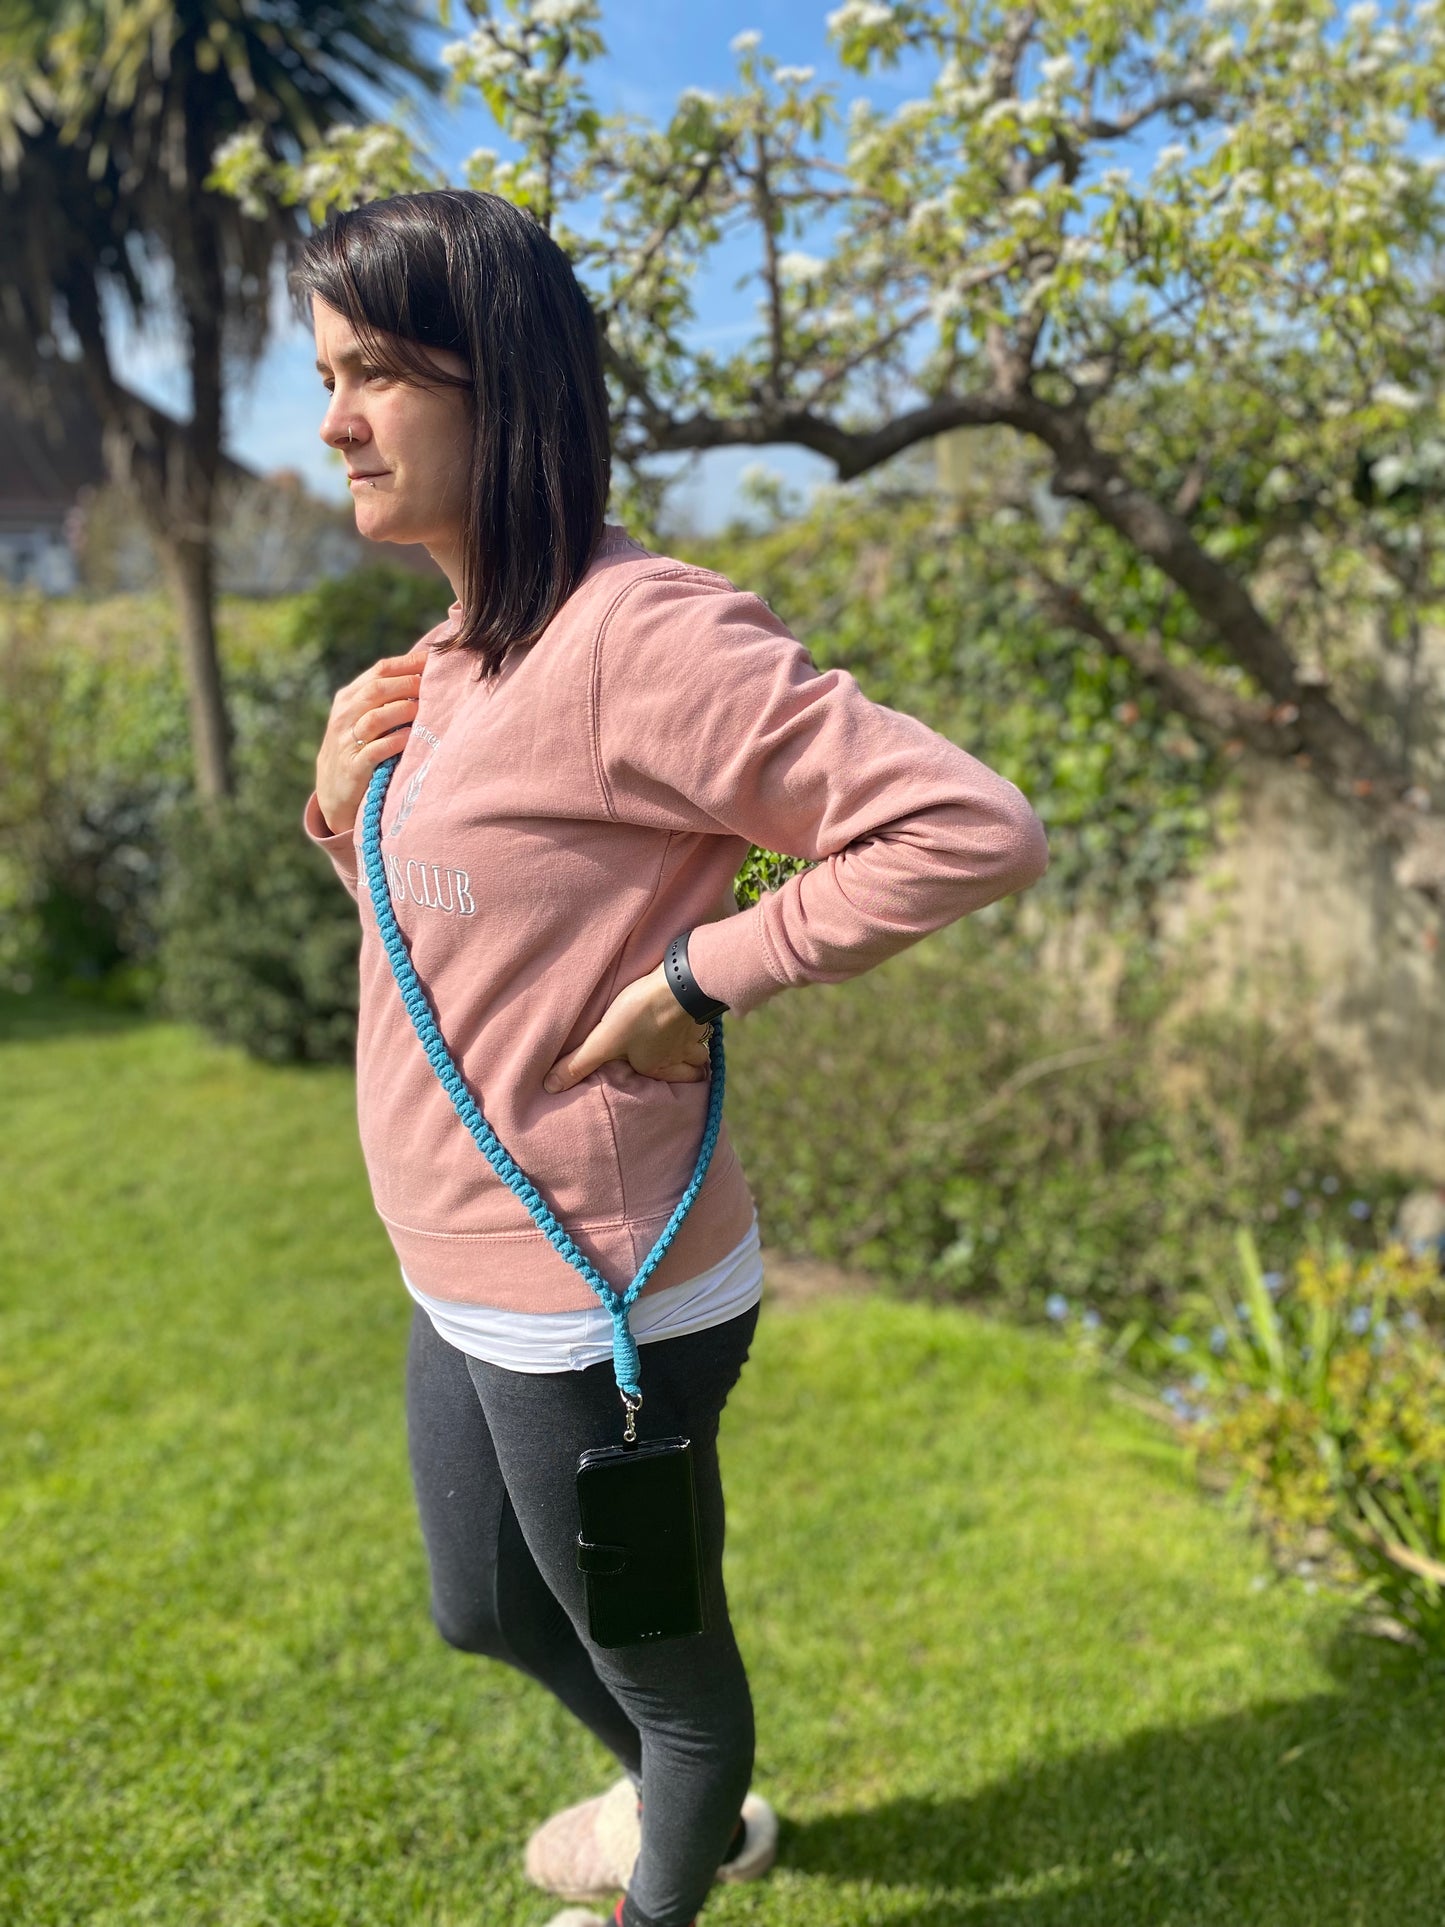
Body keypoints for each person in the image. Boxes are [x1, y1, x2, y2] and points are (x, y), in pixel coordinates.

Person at [293, 188, 1051, 1927]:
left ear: (510, 390)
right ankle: (679, 1811)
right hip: (457, 1264)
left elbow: (966, 827)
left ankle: (670, 1867)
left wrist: (710, 972)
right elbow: (455, 932)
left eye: (378, 376)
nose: (332, 419)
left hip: (598, 1291)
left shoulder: (643, 636)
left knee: (671, 1688)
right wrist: (342, 810)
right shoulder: (445, 656)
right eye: (327, 372)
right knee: (479, 1609)